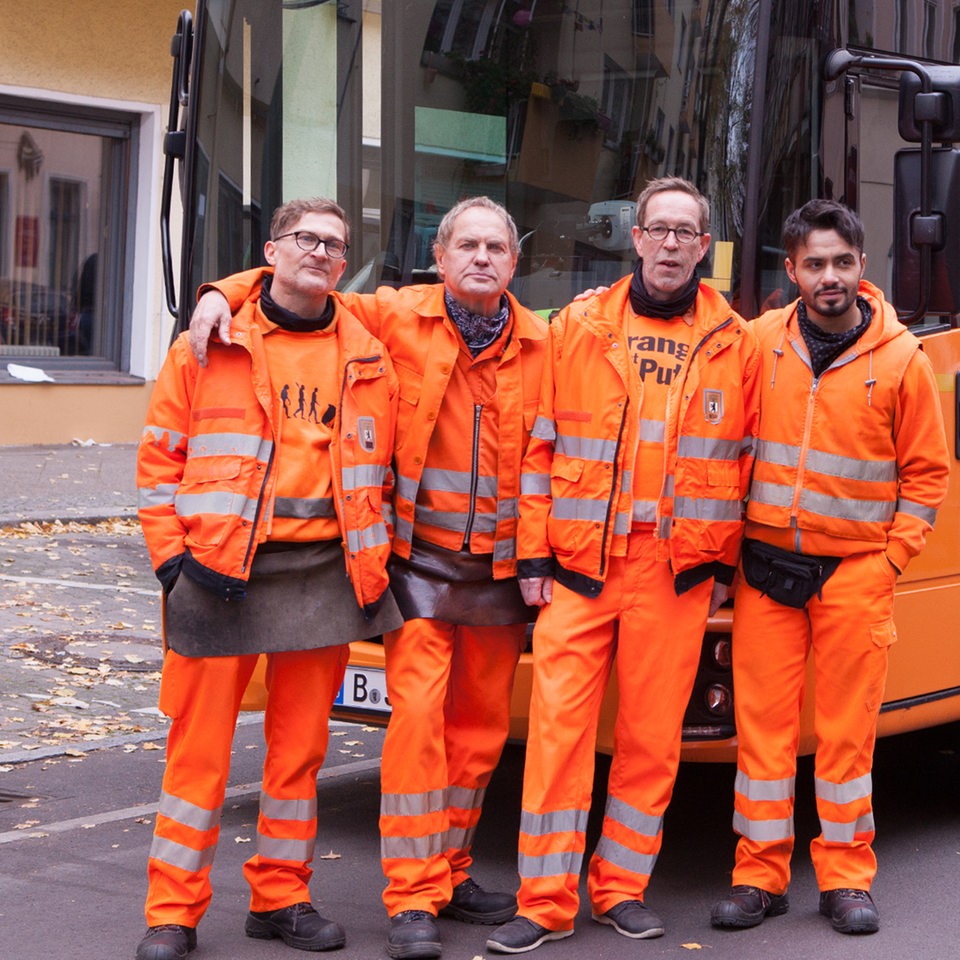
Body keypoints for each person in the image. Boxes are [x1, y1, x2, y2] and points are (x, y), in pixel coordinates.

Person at [187, 196, 548, 959]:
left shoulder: (549, 341)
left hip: (500, 576)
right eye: (467, 246)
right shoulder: (391, 318)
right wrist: (220, 292)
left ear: (515, 264)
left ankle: (450, 873)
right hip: (415, 568)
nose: (481, 258)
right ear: (441, 259)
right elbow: (298, 281)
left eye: (496, 248)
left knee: (480, 738)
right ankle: (413, 900)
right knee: (416, 731)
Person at [486, 177, 762, 953]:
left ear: (704, 247)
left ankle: (621, 888)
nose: (671, 244)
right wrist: (533, 551)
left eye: (686, 232)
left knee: (650, 742)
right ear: (634, 239)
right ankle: (543, 901)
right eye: (658, 230)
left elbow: (745, 463)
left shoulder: (735, 343)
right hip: (580, 568)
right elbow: (537, 449)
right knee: (557, 735)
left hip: (675, 574)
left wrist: (725, 567)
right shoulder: (576, 326)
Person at [134, 198, 402, 960]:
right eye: (305, 240)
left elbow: (439, 300)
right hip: (218, 575)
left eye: (335, 245)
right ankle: (172, 913)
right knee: (197, 754)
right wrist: (169, 562)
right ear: (270, 251)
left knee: (300, 753)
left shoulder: (369, 347)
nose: (320, 253)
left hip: (324, 574)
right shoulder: (211, 340)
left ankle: (281, 897)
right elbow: (158, 459)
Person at [710, 199, 950, 936]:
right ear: (792, 272)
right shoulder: (757, 343)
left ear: (862, 267)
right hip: (766, 573)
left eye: (842, 262)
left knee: (848, 739)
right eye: (814, 264)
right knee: (764, 738)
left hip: (854, 576)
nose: (829, 277)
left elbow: (928, 475)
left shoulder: (902, 358)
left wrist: (890, 562)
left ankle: (847, 880)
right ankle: (760, 878)